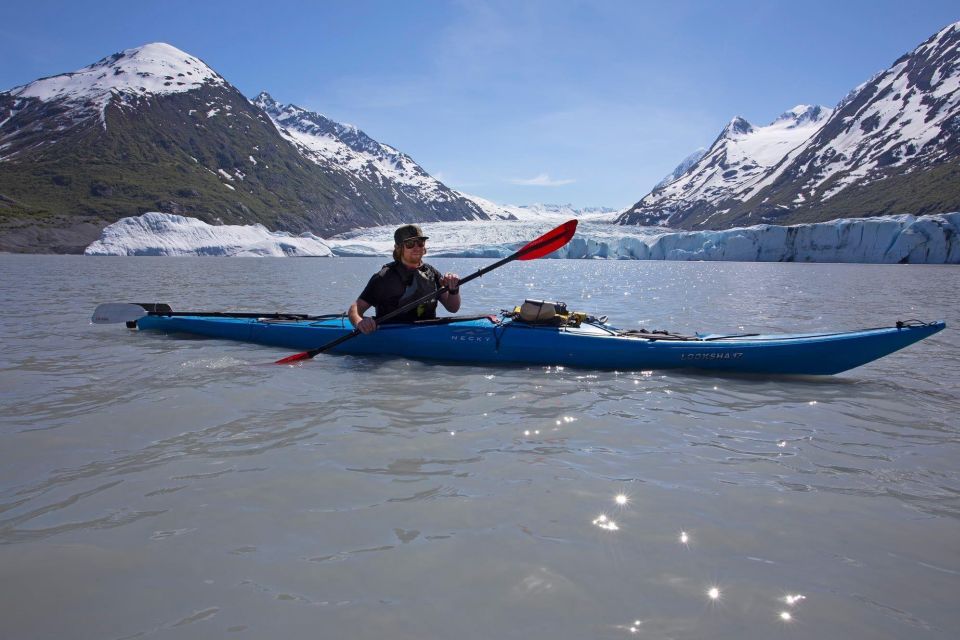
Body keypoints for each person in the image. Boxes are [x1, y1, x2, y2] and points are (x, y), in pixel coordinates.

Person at [348, 224, 461, 334]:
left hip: (427, 333)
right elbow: (356, 308)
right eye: (410, 244)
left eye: (420, 243)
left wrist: (453, 289)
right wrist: (360, 322)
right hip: (393, 337)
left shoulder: (432, 273)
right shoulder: (384, 276)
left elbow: (452, 307)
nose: (416, 247)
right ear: (399, 248)